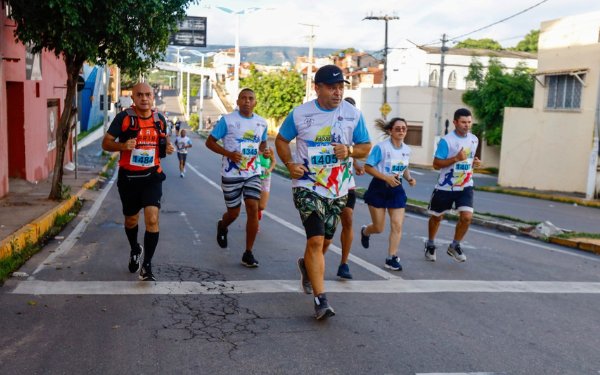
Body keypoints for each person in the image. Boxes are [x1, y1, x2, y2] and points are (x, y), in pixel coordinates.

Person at [276, 65, 371, 320]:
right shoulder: (300, 114)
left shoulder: (353, 114)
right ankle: (321, 301)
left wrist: (349, 152)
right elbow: (281, 140)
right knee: (316, 240)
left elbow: (366, 147)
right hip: (308, 186)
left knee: (326, 241)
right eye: (332, 87)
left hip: (338, 189)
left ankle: (307, 267)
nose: (338, 92)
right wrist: (289, 164)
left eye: (341, 87)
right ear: (317, 88)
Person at [101, 82, 174, 281]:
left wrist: (168, 147)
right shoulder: (124, 119)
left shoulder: (159, 119)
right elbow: (106, 143)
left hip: (152, 176)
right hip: (129, 178)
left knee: (152, 218)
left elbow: (164, 139)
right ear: (133, 98)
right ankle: (135, 248)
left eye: (148, 95)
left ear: (153, 98)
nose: (144, 98)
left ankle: (147, 266)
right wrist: (123, 145)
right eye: (139, 95)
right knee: (131, 220)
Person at [206, 88, 269, 268]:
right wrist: (229, 154)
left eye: (251, 98)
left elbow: (262, 142)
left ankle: (248, 253)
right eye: (244, 98)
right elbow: (209, 142)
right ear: (238, 101)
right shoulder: (228, 121)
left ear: (255, 102)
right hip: (231, 172)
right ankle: (223, 226)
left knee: (252, 208)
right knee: (233, 213)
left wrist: (264, 150)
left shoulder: (261, 122)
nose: (247, 101)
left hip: (253, 172)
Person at [424, 108, 481, 263]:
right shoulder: (447, 141)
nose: (467, 125)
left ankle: (454, 246)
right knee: (437, 217)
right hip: (446, 186)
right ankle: (430, 244)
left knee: (467, 217)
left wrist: (475, 163)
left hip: (465, 185)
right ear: (455, 122)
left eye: (469, 122)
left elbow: (469, 160)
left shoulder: (474, 139)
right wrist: (455, 158)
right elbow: (436, 164)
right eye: (463, 122)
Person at [360, 118, 416, 271]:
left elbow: (403, 167)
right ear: (390, 131)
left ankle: (391, 258)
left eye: (403, 128)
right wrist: (385, 177)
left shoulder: (406, 150)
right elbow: (368, 167)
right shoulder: (381, 148)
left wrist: (409, 178)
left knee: (397, 225)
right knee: (379, 228)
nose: (401, 130)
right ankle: (365, 232)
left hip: (396, 188)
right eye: (397, 128)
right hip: (379, 187)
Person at [336, 96, 365, 280]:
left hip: (347, 184)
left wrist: (356, 165)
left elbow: (352, 151)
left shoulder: (354, 128)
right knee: (325, 228)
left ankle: (344, 263)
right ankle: (312, 261)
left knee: (348, 219)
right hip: (326, 183)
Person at [257, 146, 276, 232]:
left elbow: (273, 161)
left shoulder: (268, 149)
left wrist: (269, 169)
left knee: (261, 206)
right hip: (253, 177)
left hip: (265, 178)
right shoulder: (251, 146)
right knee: (252, 203)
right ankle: (255, 222)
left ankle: (258, 212)